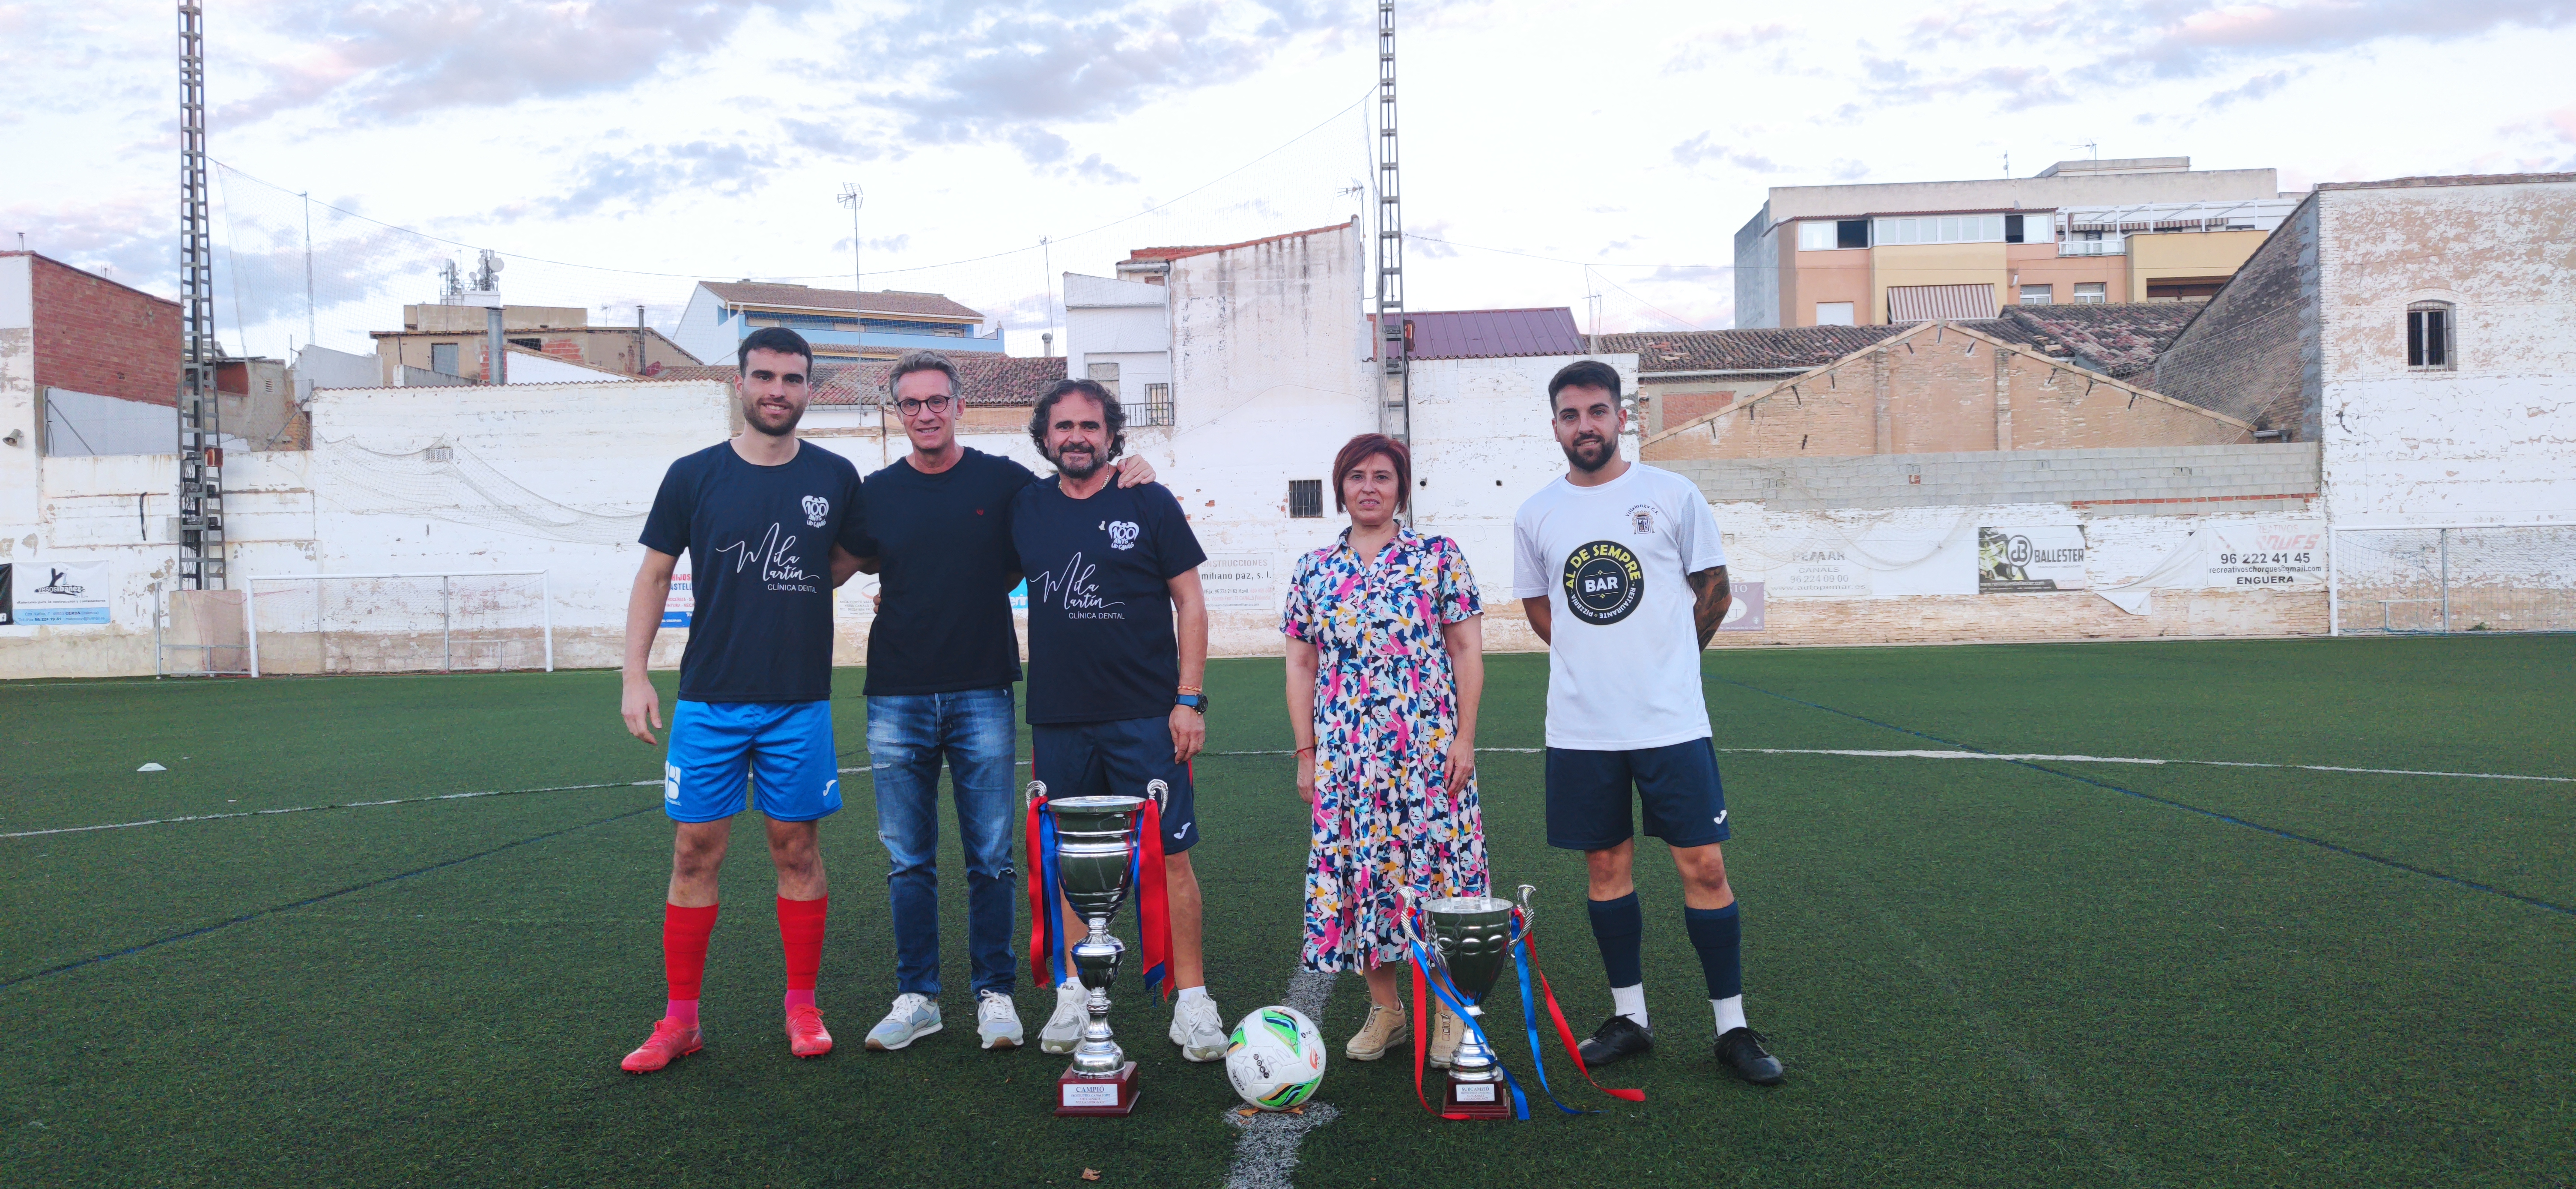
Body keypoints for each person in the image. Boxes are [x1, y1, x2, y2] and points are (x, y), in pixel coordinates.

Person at [844, 351, 1154, 1055]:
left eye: (937, 401)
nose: (925, 413)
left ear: (959, 406)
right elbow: (843, 559)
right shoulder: (875, 493)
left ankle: (996, 994)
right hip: (895, 695)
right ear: (899, 412)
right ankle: (918, 996)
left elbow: (1076, 502)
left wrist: (1136, 472)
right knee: (907, 860)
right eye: (912, 404)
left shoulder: (1006, 483)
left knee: (991, 857)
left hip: (983, 687)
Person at [1511, 358, 1786, 1087]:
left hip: (1669, 723)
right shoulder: (1536, 512)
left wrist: (1670, 662)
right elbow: (1542, 610)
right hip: (1581, 729)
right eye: (1570, 416)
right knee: (1606, 869)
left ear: (1620, 417)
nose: (1585, 426)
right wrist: (1591, 655)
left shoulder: (1672, 494)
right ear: (1556, 427)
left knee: (1705, 866)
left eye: (1597, 412)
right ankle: (1630, 1017)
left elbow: (1716, 593)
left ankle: (1733, 1028)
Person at [615, 326, 871, 1073]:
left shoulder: (834, 475)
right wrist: (636, 675)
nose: (777, 392)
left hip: (798, 701)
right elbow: (654, 578)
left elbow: (856, 551)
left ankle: (802, 1006)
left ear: (809, 390)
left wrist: (807, 585)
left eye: (793, 380)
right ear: (741, 382)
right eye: (765, 377)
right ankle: (681, 1021)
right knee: (695, 851)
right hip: (709, 700)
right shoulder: (693, 476)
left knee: (797, 848)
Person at [1009, 378, 1229, 1062]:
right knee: (1070, 861)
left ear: (1112, 434)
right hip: (1060, 719)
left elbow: (1190, 604)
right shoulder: (1026, 507)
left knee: (1170, 858)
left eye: (1091, 425)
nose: (1077, 436)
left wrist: (1188, 698)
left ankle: (1191, 1002)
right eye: (1064, 426)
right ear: (1045, 436)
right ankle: (1074, 994)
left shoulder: (1149, 500)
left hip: (1145, 716)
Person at [1281, 433, 1488, 1065]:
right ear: (1340, 487)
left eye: (1383, 476)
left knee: (1442, 876)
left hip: (1428, 752)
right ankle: (1388, 1011)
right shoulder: (1314, 569)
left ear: (1401, 487)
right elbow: (1300, 667)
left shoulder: (1437, 556)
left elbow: (1466, 651)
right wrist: (1307, 753)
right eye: (1356, 477)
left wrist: (1465, 738)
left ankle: (1452, 1015)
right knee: (1365, 877)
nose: (1369, 487)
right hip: (1348, 756)